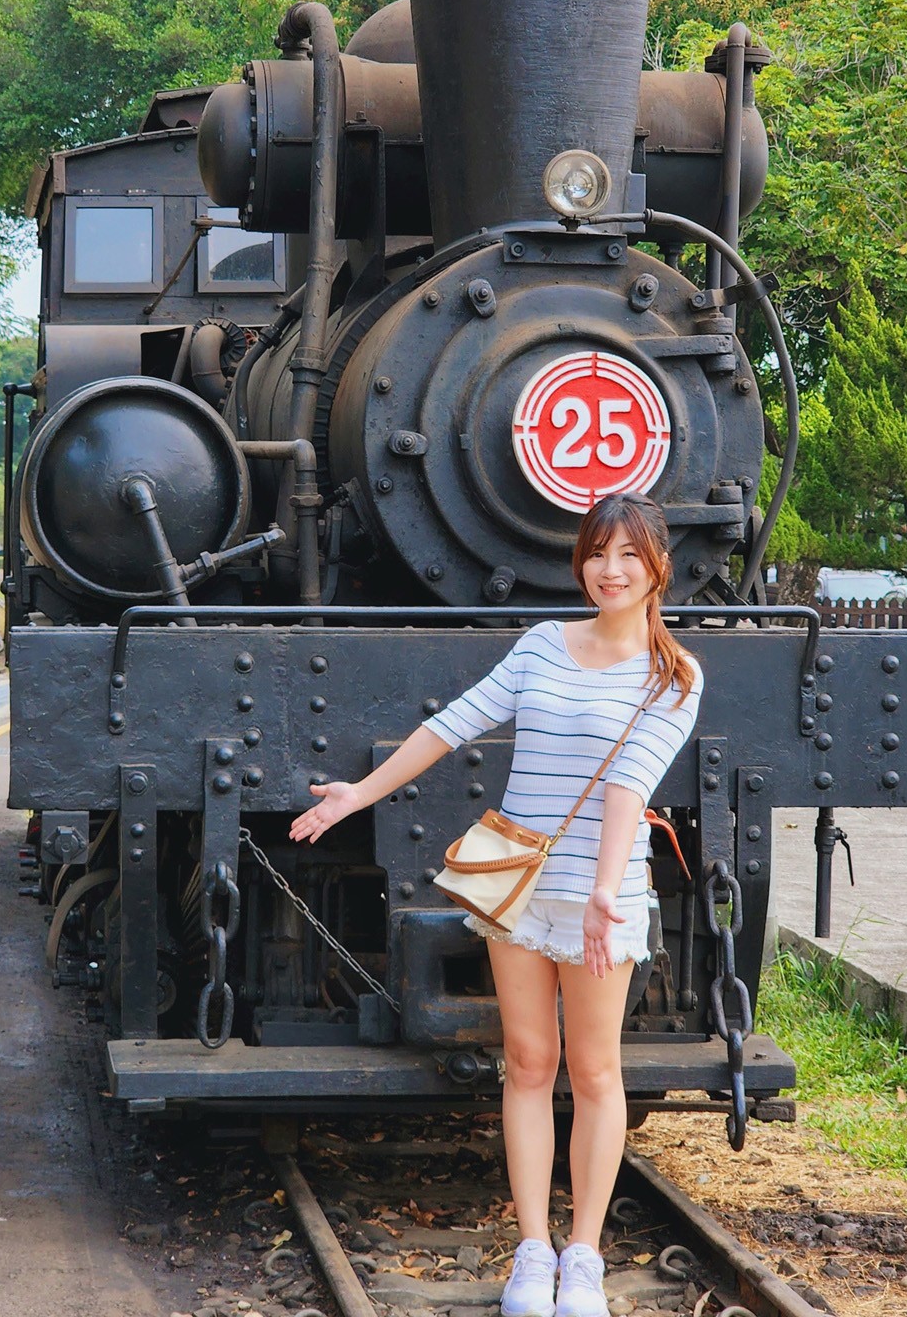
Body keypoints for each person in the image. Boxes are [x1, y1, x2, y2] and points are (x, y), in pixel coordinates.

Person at [290, 492, 702, 1317]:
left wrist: (600, 893)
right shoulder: (544, 644)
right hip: (517, 888)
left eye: (627, 556)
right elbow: (454, 725)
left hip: (603, 895)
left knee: (593, 1070)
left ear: (659, 565)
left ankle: (583, 1255)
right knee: (527, 1063)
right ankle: (533, 1252)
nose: (609, 571)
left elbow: (630, 789)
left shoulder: (674, 674)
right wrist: (359, 793)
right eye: (596, 553)